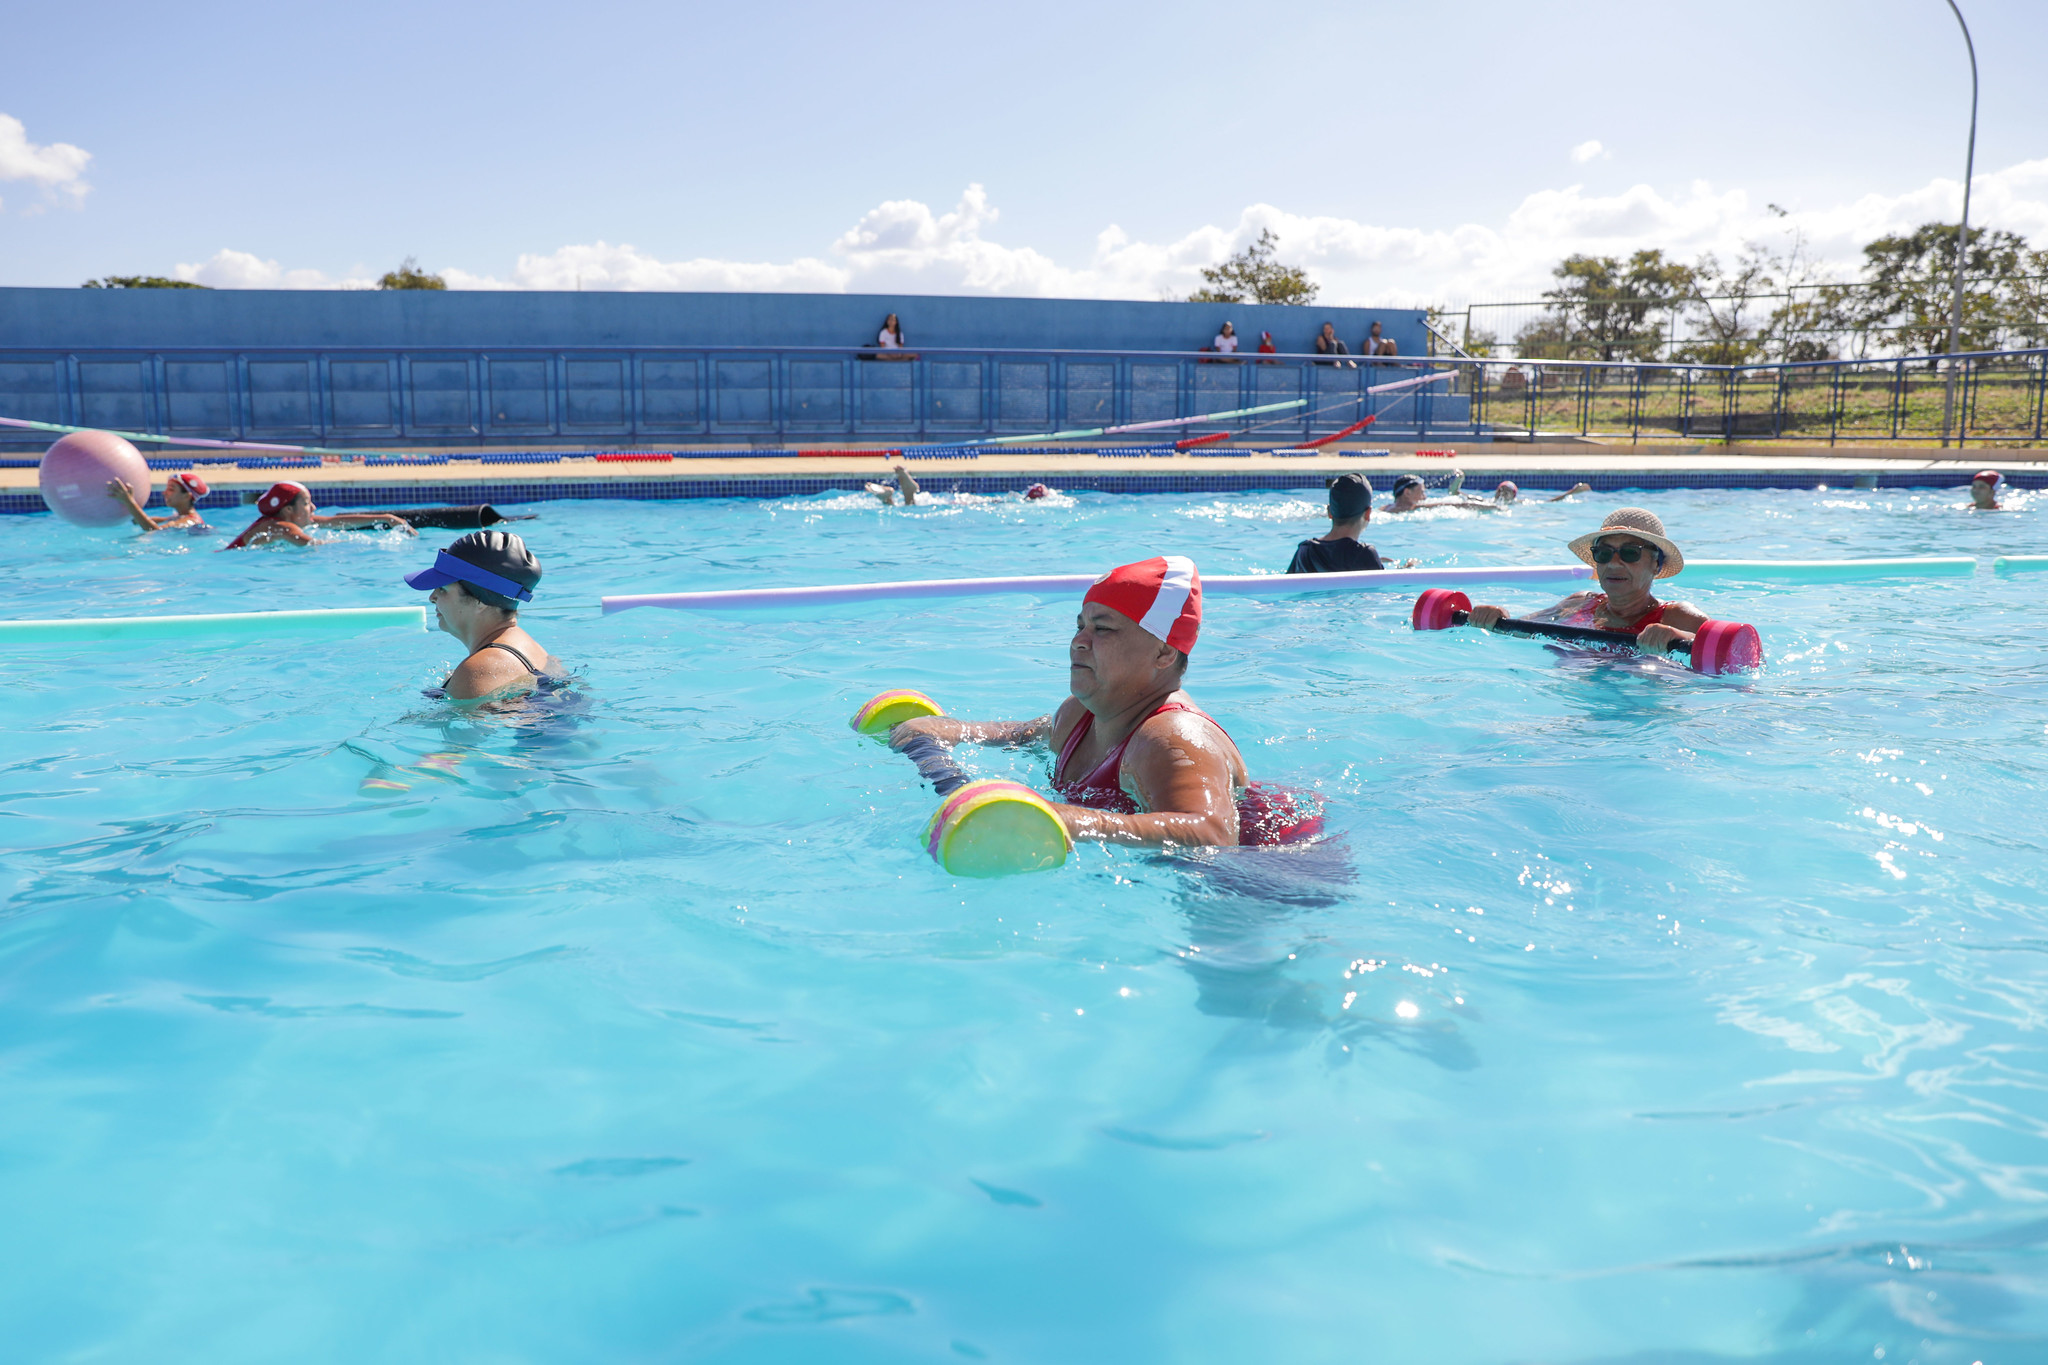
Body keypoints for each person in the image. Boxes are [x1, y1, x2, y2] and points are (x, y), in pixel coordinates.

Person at [888, 556, 1318, 847]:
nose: (1078, 641)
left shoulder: (1172, 738)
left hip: (1271, 875)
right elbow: (1024, 734)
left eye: (1104, 629)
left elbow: (1213, 832)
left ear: (1164, 653)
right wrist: (951, 731)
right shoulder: (1079, 714)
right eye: (1080, 625)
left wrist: (1070, 819)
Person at [1463, 507, 1707, 655]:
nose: (1613, 563)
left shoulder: (1676, 617)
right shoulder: (1578, 605)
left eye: (1630, 552)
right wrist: (1495, 616)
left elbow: (1737, 652)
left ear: (1657, 564)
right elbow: (1521, 628)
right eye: (1604, 553)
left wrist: (1680, 637)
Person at [403, 530, 567, 702]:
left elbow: (465, 727)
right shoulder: (531, 650)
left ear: (480, 600)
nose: (432, 597)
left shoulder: (480, 670)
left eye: (443, 589)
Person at [222, 481, 416, 549]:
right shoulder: (282, 527)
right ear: (288, 510)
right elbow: (314, 546)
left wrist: (386, 518)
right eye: (306, 504)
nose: (313, 508)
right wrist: (369, 544)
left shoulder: (287, 521)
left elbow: (335, 522)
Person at [1287, 473, 1417, 573]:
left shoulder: (1305, 551)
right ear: (1368, 514)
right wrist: (1406, 569)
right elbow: (1382, 590)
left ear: (1329, 512)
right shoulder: (1365, 554)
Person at [107, 471, 209, 532]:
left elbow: (155, 531)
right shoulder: (177, 517)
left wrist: (129, 502)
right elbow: (137, 521)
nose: (164, 493)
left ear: (187, 496)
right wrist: (130, 500)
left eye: (171, 489)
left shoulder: (190, 521)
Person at [1493, 480, 1592, 505]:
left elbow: (1549, 501)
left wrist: (1570, 493)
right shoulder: (1489, 502)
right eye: (1501, 490)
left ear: (1513, 495)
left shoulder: (1520, 503)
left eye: (1507, 491)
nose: (1502, 493)